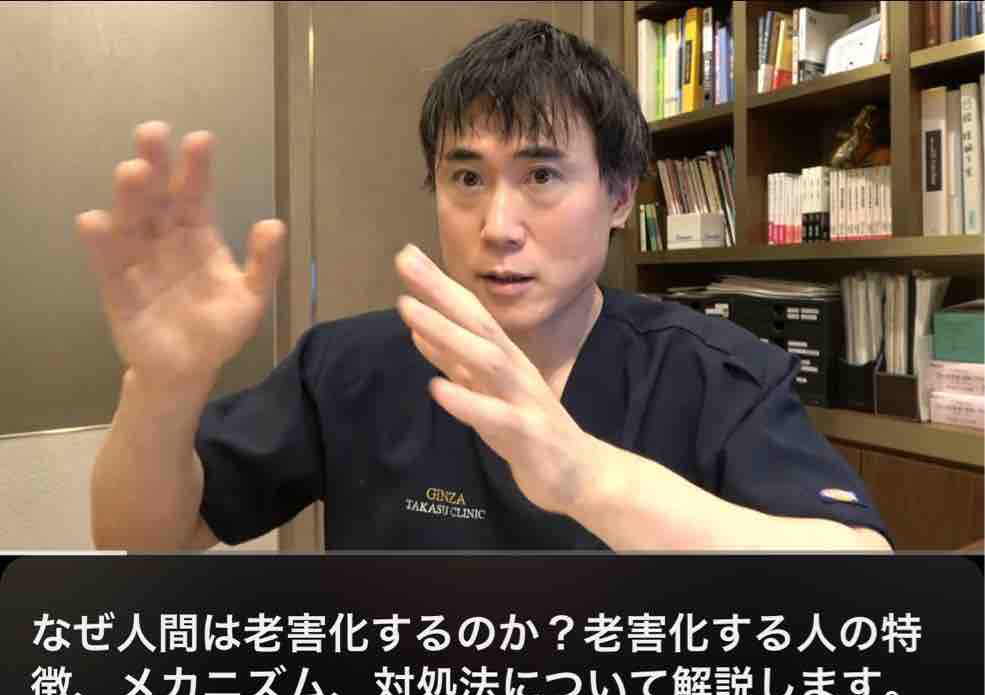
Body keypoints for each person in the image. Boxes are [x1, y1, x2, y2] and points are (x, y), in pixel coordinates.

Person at [82, 20, 892, 553]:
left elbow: (858, 569)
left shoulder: (712, 371)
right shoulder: (348, 365)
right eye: (466, 177)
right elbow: (145, 535)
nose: (498, 224)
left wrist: (585, 478)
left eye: (541, 174)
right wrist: (162, 385)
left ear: (618, 196)